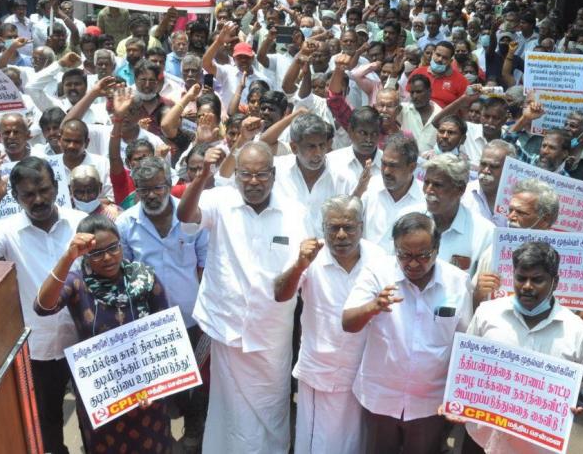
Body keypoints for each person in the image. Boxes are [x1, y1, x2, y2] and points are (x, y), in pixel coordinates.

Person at [178, 141, 308, 454]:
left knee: (271, 405)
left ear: (274, 175)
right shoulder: (219, 200)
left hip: (271, 332)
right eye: (245, 175)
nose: (253, 182)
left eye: (261, 175)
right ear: (235, 175)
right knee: (230, 412)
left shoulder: (295, 212)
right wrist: (202, 175)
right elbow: (185, 215)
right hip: (228, 327)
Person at [0, 156, 88, 454]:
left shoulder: (78, 221)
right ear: (16, 198)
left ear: (57, 186)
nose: (39, 199)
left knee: (92, 417)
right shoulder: (6, 231)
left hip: (84, 340)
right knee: (47, 423)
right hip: (38, 348)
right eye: (28, 195)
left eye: (44, 189)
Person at [34, 215, 173, 453]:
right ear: (85, 256)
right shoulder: (78, 283)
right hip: (103, 394)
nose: (108, 258)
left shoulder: (143, 276)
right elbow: (43, 307)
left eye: (113, 248)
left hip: (146, 392)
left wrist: (156, 386)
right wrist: (68, 257)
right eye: (97, 253)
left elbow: (165, 330)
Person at [342, 212, 473, 454]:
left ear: (437, 248)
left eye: (422, 256)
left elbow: (465, 346)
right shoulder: (377, 273)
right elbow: (348, 322)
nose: (412, 264)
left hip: (430, 405)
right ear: (395, 248)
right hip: (381, 400)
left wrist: (459, 397)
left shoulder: (457, 282)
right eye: (404, 255)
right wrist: (373, 307)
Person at [459, 241, 583, 454]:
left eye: (537, 280)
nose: (527, 286)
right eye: (520, 278)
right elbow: (467, 363)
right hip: (482, 434)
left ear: (555, 282)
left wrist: (581, 401)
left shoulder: (580, 333)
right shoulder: (486, 314)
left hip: (536, 443)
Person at [273, 196, 384, 454]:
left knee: (355, 443)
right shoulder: (311, 255)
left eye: (349, 227)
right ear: (323, 228)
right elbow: (280, 294)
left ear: (361, 225)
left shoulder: (378, 258)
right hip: (320, 373)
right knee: (318, 445)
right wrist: (300, 264)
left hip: (361, 372)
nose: (342, 235)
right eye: (334, 228)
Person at [115, 155, 208, 445]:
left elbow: (205, 266)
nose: (152, 195)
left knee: (195, 383)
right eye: (144, 190)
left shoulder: (192, 215)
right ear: (136, 191)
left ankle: (195, 435)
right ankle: (163, 439)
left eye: (157, 187)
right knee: (161, 386)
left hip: (192, 315)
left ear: (169, 184)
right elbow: (125, 273)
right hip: (152, 324)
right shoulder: (126, 223)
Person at [422, 153, 493, 271]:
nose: (428, 190)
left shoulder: (484, 233)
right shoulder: (407, 217)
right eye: (426, 182)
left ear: (460, 189)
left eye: (437, 185)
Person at [359, 133, 425, 252]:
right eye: (384, 163)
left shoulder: (425, 198)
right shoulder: (369, 187)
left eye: (394, 166)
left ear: (412, 167)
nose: (387, 171)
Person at [463, 139, 517, 227]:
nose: (486, 170)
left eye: (494, 166)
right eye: (483, 164)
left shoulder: (517, 199)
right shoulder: (464, 194)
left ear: (509, 168)